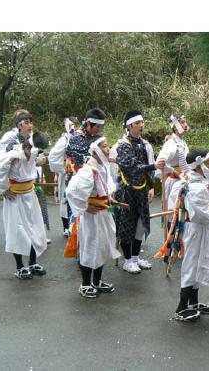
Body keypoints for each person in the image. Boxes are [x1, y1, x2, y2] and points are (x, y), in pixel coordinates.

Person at [0, 111, 48, 279]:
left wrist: (39, 159)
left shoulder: (33, 142)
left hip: (30, 192)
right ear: (20, 125)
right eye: (27, 122)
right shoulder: (12, 145)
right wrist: (2, 189)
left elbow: (33, 160)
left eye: (31, 122)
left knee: (35, 227)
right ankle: (20, 266)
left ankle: (33, 262)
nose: (30, 125)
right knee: (17, 230)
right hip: (15, 194)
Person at [170, 149, 209, 322]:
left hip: (197, 229)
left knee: (199, 263)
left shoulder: (191, 180)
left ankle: (193, 303)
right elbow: (202, 215)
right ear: (199, 166)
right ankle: (181, 307)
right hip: (196, 229)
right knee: (192, 264)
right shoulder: (197, 187)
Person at [65, 135, 121, 298]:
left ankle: (97, 281)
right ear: (95, 151)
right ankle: (85, 284)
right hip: (92, 216)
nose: (108, 149)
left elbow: (106, 187)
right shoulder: (88, 170)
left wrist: (109, 198)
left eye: (107, 145)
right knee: (90, 246)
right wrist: (84, 206)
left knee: (103, 246)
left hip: (103, 212)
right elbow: (71, 191)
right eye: (104, 146)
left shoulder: (103, 167)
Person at [113, 111, 166, 273]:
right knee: (127, 225)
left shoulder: (144, 144)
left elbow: (148, 167)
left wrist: (151, 186)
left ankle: (135, 258)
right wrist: (154, 167)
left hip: (142, 189)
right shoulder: (122, 146)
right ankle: (127, 260)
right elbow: (131, 167)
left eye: (143, 122)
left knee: (140, 225)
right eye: (138, 123)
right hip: (126, 191)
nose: (142, 125)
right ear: (129, 126)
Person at [48, 117, 79, 237]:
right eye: (71, 125)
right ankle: (66, 227)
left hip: (79, 173)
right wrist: (62, 170)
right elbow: (53, 156)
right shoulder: (64, 139)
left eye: (75, 125)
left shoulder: (81, 137)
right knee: (65, 200)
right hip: (67, 175)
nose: (74, 127)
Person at [157, 114, 190, 207]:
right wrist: (174, 170)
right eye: (182, 122)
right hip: (174, 183)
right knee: (174, 213)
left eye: (185, 122)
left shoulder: (182, 142)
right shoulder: (171, 143)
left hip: (183, 181)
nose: (186, 125)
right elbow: (159, 162)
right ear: (175, 127)